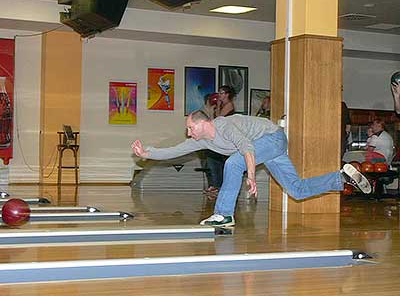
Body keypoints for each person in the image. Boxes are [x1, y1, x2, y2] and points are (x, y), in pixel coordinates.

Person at [132, 111, 371, 227]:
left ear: (203, 123)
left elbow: (246, 147)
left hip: (273, 138)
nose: (188, 132)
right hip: (268, 149)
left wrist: (251, 176)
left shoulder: (224, 125)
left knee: (234, 161)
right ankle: (340, 178)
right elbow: (175, 150)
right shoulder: (202, 140)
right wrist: (147, 153)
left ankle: (224, 214)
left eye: (190, 127)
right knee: (296, 191)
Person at [204, 86, 236, 198]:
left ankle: (218, 186)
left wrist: (217, 106)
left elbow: (219, 119)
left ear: (227, 94)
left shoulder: (229, 105)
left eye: (221, 93)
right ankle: (216, 185)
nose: (219, 95)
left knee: (215, 160)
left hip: (227, 137)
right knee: (213, 159)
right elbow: (214, 121)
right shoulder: (222, 105)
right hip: (221, 136)